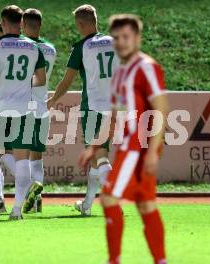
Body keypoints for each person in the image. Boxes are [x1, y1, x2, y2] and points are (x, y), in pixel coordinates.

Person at [78, 14, 168, 264]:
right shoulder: (120, 73)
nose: (121, 42)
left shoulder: (146, 67)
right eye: (116, 38)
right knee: (146, 205)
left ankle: (114, 260)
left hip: (138, 147)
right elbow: (113, 115)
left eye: (126, 37)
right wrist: (93, 146)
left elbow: (161, 108)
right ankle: (161, 260)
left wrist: (152, 151)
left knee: (108, 198)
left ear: (137, 38)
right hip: (130, 145)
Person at [0, 5, 46, 220]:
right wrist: (24, 83)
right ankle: (17, 211)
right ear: (22, 23)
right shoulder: (34, 47)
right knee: (22, 158)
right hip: (24, 109)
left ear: (3, 22)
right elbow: (41, 79)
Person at [47, 4, 118, 216]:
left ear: (80, 24)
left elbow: (67, 81)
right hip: (115, 107)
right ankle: (86, 204)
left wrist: (52, 100)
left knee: (99, 156)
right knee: (97, 158)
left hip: (93, 107)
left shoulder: (81, 48)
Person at [21, 8, 56, 213]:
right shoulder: (51, 49)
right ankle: (37, 198)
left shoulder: (23, 47)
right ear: (41, 25)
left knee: (17, 155)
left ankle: (28, 194)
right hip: (42, 106)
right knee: (37, 155)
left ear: (23, 25)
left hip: (24, 106)